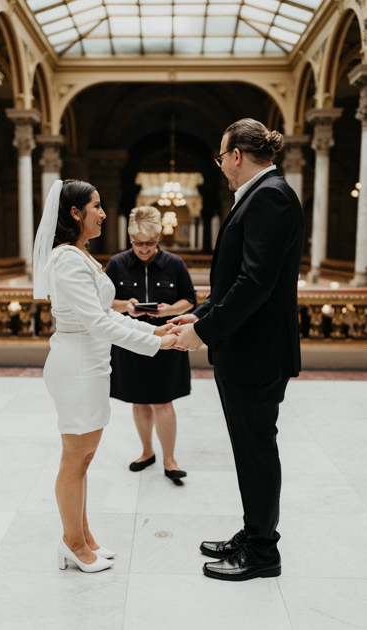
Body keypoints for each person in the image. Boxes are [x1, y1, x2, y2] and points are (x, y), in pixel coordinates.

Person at [172, 119, 304, 581]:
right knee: (250, 450)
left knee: (256, 451)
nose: (222, 166)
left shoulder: (269, 195)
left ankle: (264, 553)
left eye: (221, 157)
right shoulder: (263, 194)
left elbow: (255, 284)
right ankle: (254, 534)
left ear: (236, 156)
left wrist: (206, 332)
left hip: (257, 353)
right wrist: (202, 316)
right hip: (249, 349)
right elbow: (237, 281)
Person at [33, 180, 178, 574]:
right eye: (96, 206)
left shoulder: (81, 255)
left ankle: (85, 538)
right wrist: (158, 346)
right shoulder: (66, 259)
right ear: (75, 214)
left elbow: (107, 314)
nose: (103, 212)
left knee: (85, 457)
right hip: (77, 366)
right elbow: (97, 323)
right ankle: (72, 544)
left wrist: (156, 332)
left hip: (90, 364)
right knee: (75, 459)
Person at [106, 206, 196, 481]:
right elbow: (104, 302)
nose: (144, 249)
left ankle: (169, 459)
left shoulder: (174, 263)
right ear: (130, 237)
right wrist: (127, 306)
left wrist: (169, 310)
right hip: (130, 341)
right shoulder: (117, 264)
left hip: (168, 338)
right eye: (138, 243)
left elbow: (190, 299)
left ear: (158, 237)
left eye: (150, 243)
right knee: (140, 401)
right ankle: (147, 452)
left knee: (164, 402)